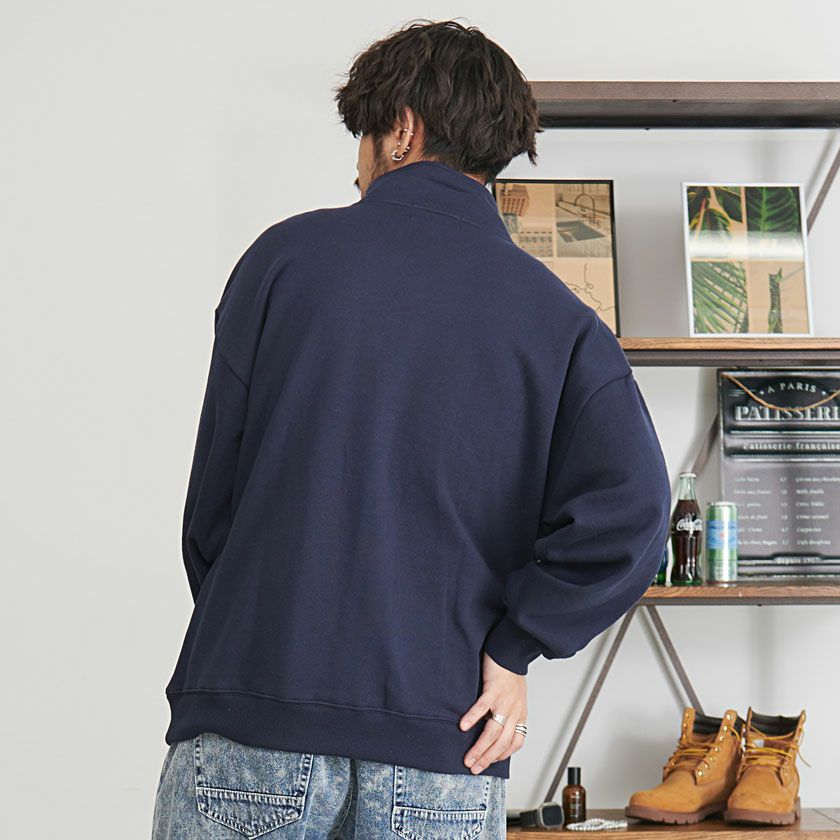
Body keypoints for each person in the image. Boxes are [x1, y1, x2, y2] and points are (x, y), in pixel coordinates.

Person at [151, 18, 672, 839]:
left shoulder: (282, 263)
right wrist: (515, 647)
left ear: (400, 128)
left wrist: (259, 636)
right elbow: (636, 517)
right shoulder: (559, 320)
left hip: (255, 716)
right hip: (444, 739)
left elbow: (214, 509)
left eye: (363, 138)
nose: (357, 166)